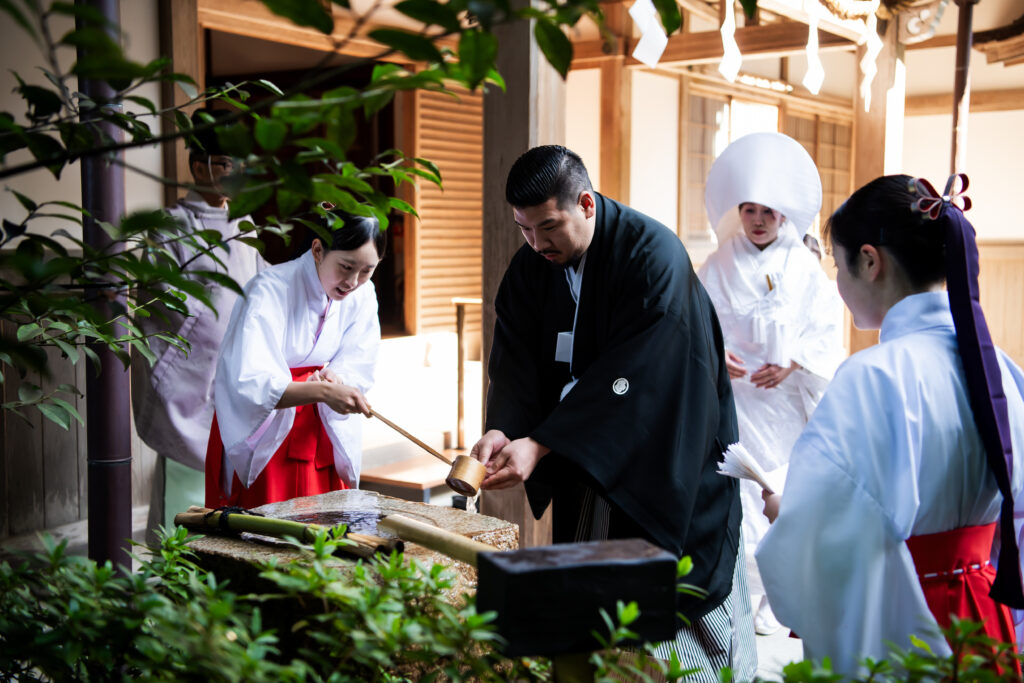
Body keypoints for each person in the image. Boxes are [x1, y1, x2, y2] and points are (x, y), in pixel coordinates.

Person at [471, 145, 756, 680]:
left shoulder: (654, 256)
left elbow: (642, 374)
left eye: (548, 227)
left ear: (585, 202)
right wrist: (505, 428)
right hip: (586, 460)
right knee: (590, 598)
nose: (536, 243)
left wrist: (545, 441)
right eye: (524, 229)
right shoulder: (533, 265)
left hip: (666, 455)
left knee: (676, 594)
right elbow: (515, 359)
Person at [756, 174, 1024, 676]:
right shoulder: (1004, 371)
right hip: (989, 617)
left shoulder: (873, 376)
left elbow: (827, 534)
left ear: (870, 261)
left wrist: (783, 511)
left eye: (839, 265)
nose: (838, 283)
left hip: (907, 622)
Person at [698, 132, 845, 635]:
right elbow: (695, 322)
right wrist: (717, 356)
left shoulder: (804, 267)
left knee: (783, 492)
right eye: (749, 209)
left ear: (784, 215)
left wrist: (796, 362)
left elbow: (826, 327)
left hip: (784, 405)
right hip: (735, 399)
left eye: (767, 211)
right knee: (739, 497)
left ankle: (780, 597)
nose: (757, 220)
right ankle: (746, 592)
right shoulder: (716, 265)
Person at [133, 108, 265, 539]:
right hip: (191, 377)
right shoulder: (170, 228)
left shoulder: (243, 225)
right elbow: (168, 305)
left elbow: (258, 293)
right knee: (186, 502)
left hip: (235, 375)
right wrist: (218, 328)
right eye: (227, 163)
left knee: (233, 495)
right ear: (198, 164)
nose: (236, 174)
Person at [205, 210, 383, 509]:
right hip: (267, 424)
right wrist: (323, 391)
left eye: (366, 271)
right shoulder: (269, 288)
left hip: (322, 425)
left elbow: (359, 357)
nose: (353, 281)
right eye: (346, 266)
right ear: (317, 250)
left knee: (325, 528)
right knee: (267, 529)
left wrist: (336, 377)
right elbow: (252, 382)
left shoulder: (363, 294)